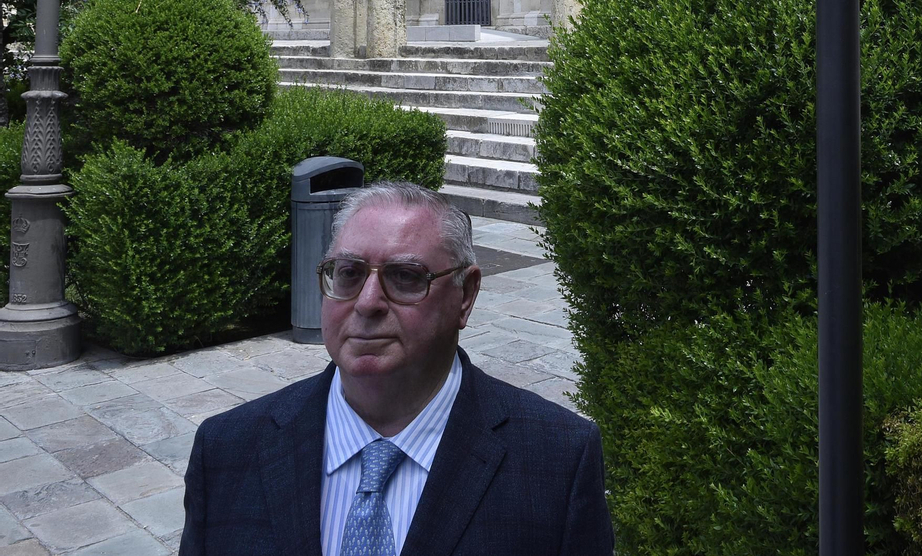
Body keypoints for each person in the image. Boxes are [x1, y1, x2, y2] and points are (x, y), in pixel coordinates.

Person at [178, 182, 613, 556]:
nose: (367, 302)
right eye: (347, 273)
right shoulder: (225, 450)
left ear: (465, 295)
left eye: (405, 277)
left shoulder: (558, 459)